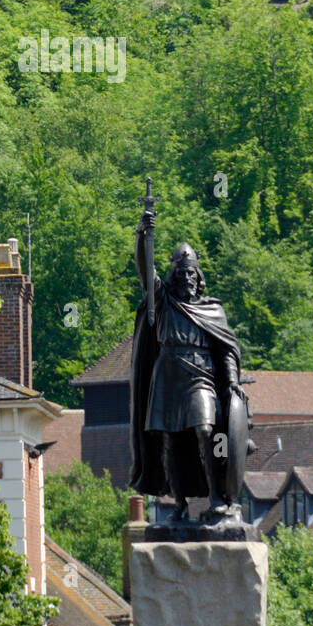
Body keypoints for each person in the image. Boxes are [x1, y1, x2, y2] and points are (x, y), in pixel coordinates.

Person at [129, 210, 249, 523]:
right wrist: (143, 234)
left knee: (205, 430)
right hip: (167, 376)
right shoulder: (164, 300)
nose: (186, 279)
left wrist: (233, 381)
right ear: (174, 277)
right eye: (181, 274)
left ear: (199, 277)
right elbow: (146, 269)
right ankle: (179, 504)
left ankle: (216, 496)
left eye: (191, 274)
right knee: (169, 441)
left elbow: (226, 350)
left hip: (201, 378)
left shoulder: (213, 310)